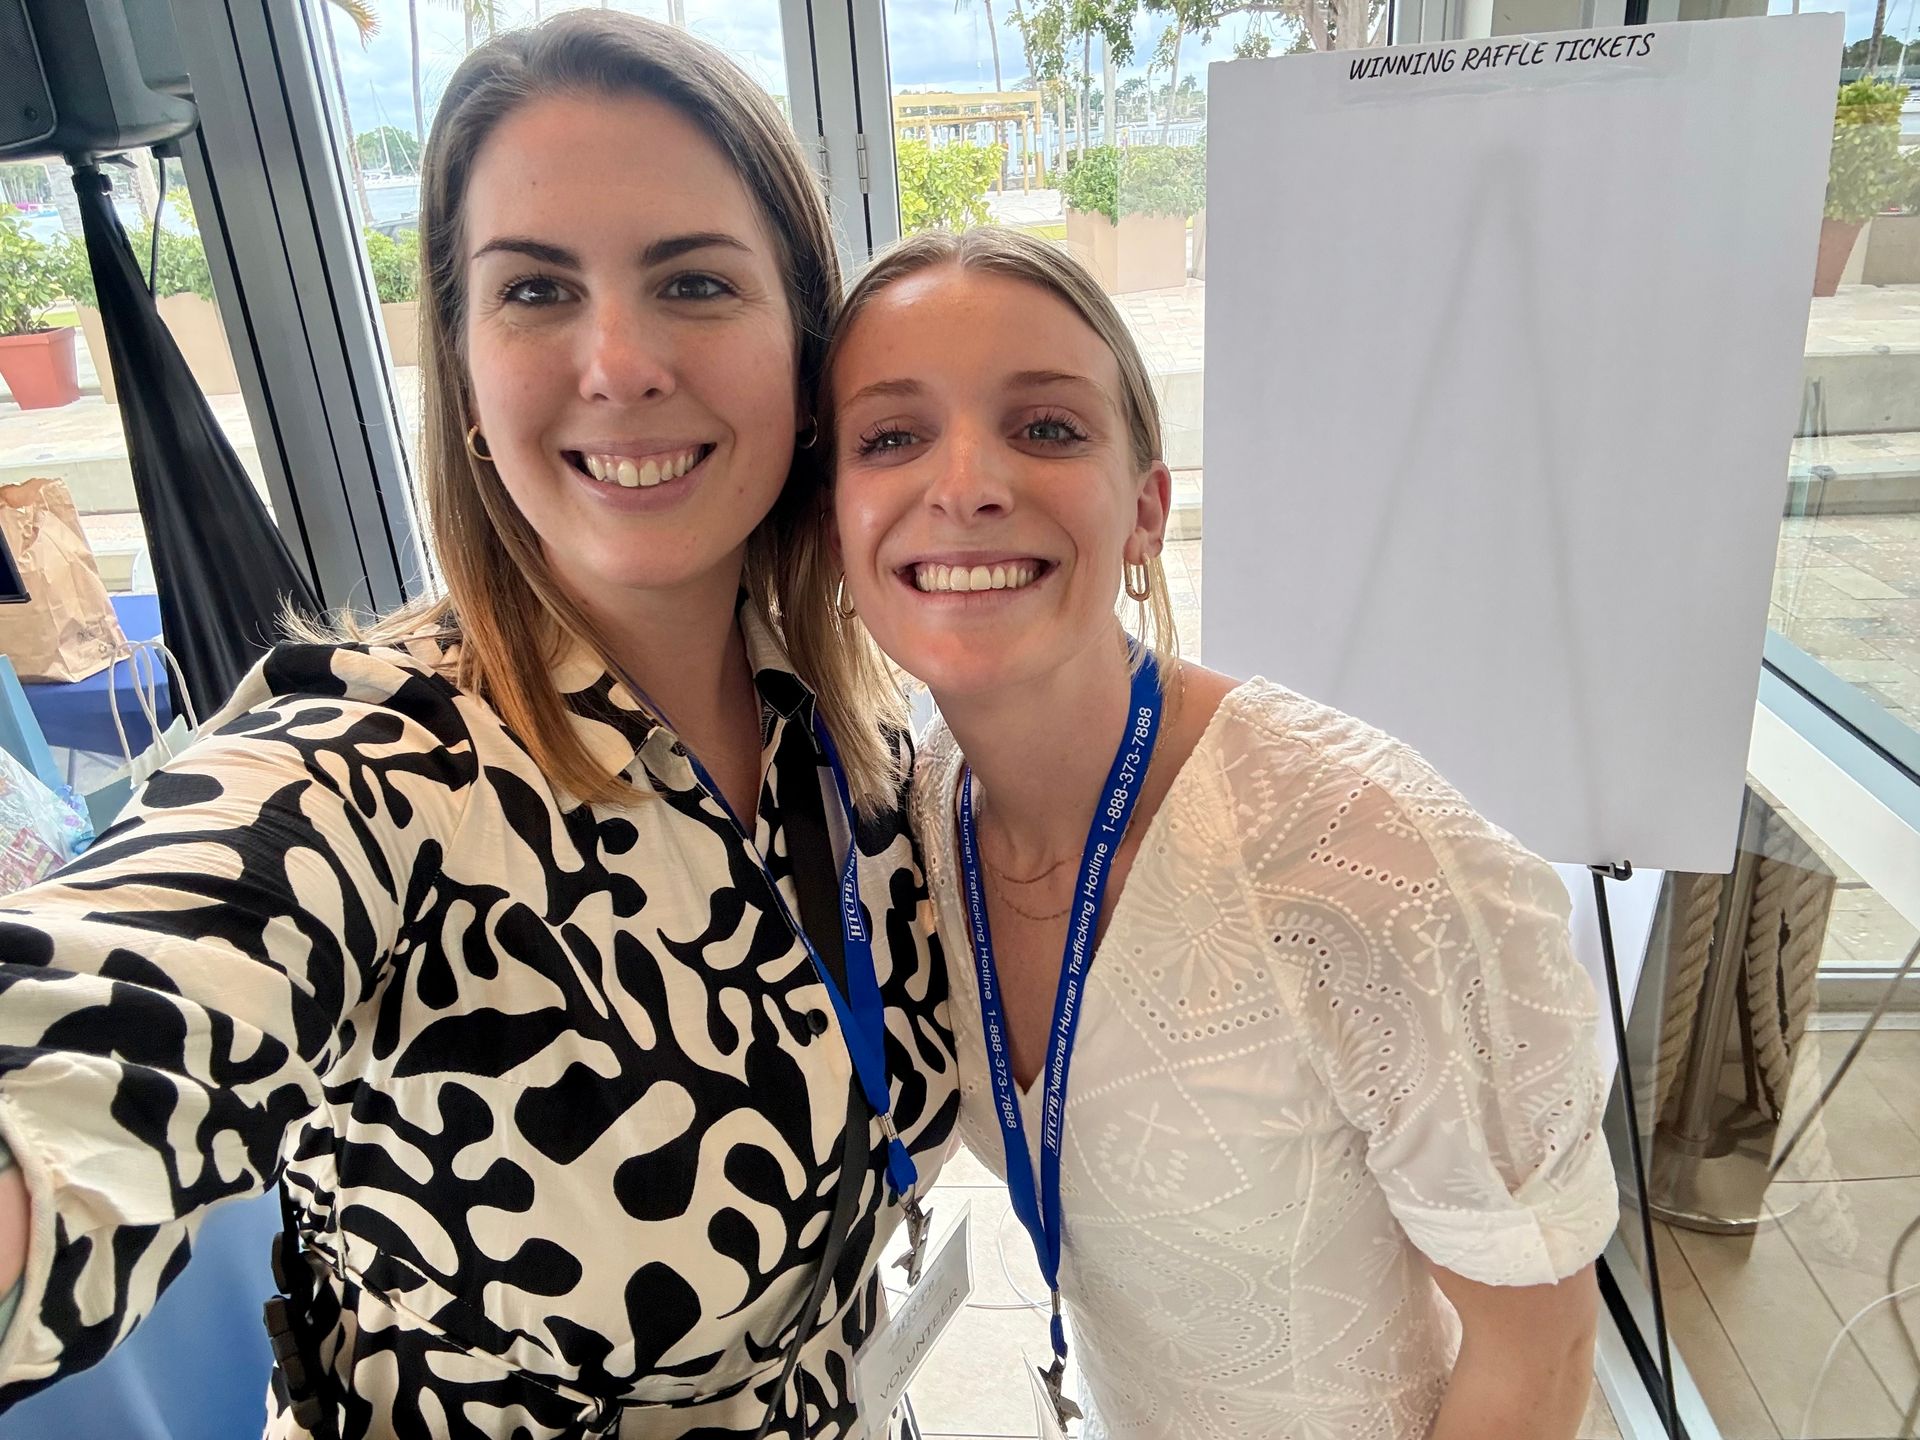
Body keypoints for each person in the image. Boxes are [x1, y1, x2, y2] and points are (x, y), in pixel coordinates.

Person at [0, 14, 957, 1438]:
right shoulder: (371, 768)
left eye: (694, 281)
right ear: (462, 373)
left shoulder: (852, 733)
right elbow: (123, 994)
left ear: (803, 357)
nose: (618, 362)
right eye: (536, 290)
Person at [827, 226, 1617, 1440]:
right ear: (832, 523)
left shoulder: (1373, 863)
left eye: (1047, 427)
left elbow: (1540, 1349)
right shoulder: (906, 818)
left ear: (1145, 511)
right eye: (891, 437)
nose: (967, 484)